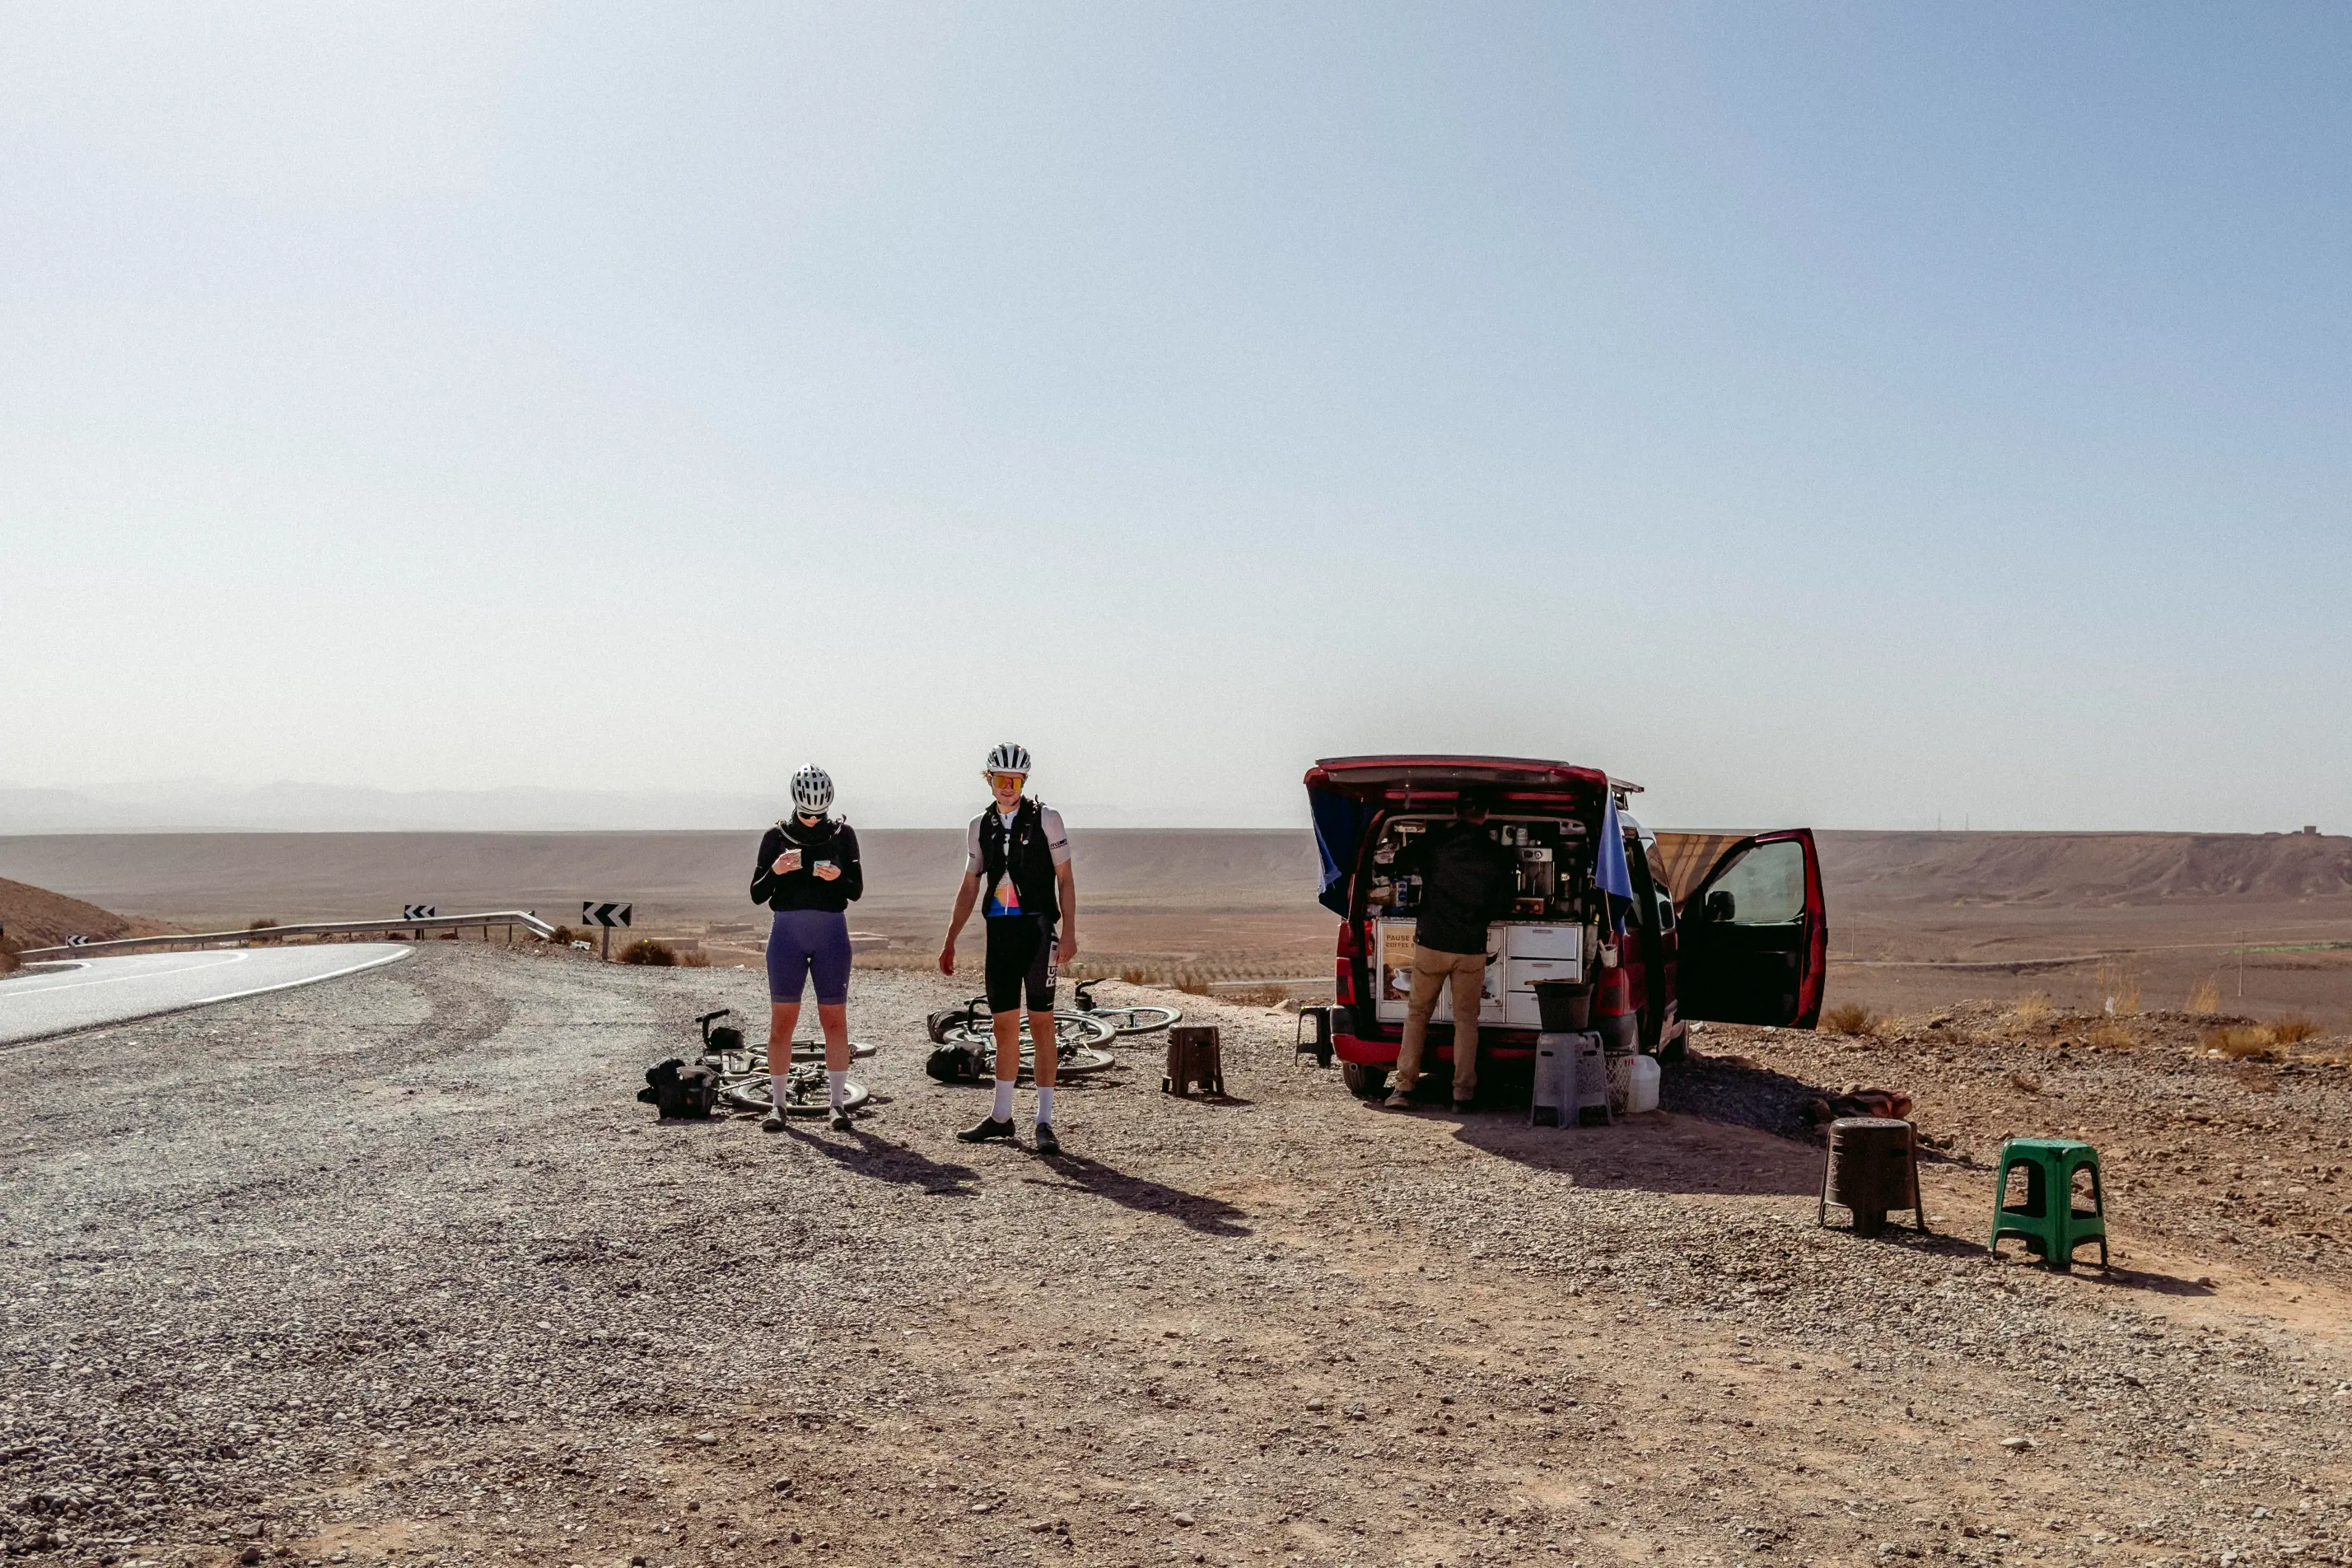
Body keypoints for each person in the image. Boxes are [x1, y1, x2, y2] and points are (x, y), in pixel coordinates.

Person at [938, 743, 1077, 1155]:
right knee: (1002, 1028)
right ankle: (1002, 1116)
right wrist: (950, 939)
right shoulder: (978, 826)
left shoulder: (1047, 820)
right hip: (999, 936)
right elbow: (969, 886)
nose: (1008, 787)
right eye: (1001, 779)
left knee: (1041, 1025)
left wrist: (1069, 933)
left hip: (1037, 933)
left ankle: (1045, 1120)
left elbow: (1066, 880)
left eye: (1015, 780)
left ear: (1024, 782)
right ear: (990, 780)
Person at [1384, 796, 1517, 1112]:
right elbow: (1503, 905)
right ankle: (1462, 1094)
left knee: (1417, 1014)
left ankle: (1404, 1087)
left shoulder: (1434, 843)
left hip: (1432, 942)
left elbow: (1399, 860)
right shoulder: (1497, 854)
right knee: (1467, 1021)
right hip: (1470, 948)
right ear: (1486, 814)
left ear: (1455, 812)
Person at [750, 764, 864, 1132]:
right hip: (787, 933)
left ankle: (837, 1105)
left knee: (834, 1020)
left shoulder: (843, 835)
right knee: (782, 1022)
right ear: (795, 805)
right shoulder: (775, 836)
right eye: (806, 814)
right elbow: (756, 893)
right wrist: (777, 871)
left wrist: (838, 876)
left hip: (831, 932)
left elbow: (856, 890)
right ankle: (777, 1105)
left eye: (819, 814)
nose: (813, 820)